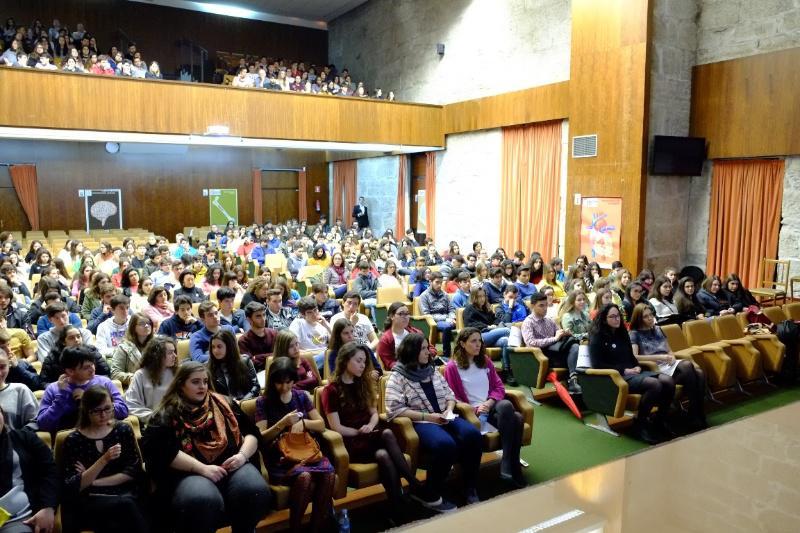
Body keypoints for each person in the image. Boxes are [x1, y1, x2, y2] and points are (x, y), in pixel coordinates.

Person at [141, 362, 270, 533]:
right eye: (195, 382)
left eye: (205, 381)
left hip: (233, 465)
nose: (202, 386)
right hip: (189, 472)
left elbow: (253, 433)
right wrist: (203, 469)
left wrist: (242, 456)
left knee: (255, 490)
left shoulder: (224, 403)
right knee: (202, 499)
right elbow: (161, 452)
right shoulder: (166, 413)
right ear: (181, 384)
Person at [322, 342, 436, 519]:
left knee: (383, 455)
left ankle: (397, 506)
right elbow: (336, 427)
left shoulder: (363, 382)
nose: (363, 365)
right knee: (387, 434)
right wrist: (360, 432)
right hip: (350, 441)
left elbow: (374, 414)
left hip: (371, 436)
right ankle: (413, 485)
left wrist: (370, 425)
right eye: (359, 361)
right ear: (345, 361)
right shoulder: (331, 390)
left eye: (364, 361)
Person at [384, 333, 481, 510]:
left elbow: (450, 395)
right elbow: (394, 409)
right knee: (446, 444)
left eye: (427, 347)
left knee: (473, 435)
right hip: (421, 421)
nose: (428, 352)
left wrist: (449, 409)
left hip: (445, 415)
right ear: (411, 351)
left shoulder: (432, 370)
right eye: (423, 348)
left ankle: (469, 486)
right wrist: (429, 417)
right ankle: (430, 493)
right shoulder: (397, 376)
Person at [255, 357, 333, 532]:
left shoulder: (300, 396)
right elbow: (261, 438)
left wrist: (304, 423)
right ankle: (295, 528)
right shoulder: (263, 401)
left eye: (288, 382)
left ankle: (317, 527)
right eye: (279, 383)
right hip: (281, 459)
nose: (284, 387)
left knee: (328, 474)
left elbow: (321, 424)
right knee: (304, 477)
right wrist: (282, 424)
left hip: (305, 452)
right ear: (272, 381)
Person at [443, 328, 525, 487]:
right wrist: (476, 409)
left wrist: (489, 402)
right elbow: (453, 397)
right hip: (472, 415)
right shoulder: (452, 368)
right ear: (462, 343)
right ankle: (513, 467)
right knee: (517, 418)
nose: (478, 344)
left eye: (479, 340)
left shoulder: (485, 361)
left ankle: (507, 462)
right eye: (473, 341)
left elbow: (499, 387)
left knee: (507, 405)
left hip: (492, 407)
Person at [59, 386, 147, 533]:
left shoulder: (122, 430)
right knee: (124, 509)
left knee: (124, 509)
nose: (104, 415)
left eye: (108, 408)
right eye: (97, 411)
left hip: (123, 493)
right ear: (87, 411)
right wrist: (104, 460)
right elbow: (73, 485)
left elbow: (133, 470)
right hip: (92, 499)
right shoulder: (74, 440)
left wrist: (91, 480)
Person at [589, 303, 677, 444]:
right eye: (612, 317)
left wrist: (636, 366)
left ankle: (659, 420)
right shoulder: (597, 337)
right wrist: (624, 370)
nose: (617, 319)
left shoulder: (622, 332)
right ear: (604, 319)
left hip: (632, 373)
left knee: (668, 381)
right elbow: (598, 365)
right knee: (655, 385)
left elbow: (631, 356)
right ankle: (640, 424)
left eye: (618, 316)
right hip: (616, 377)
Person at [629, 303, 708, 431]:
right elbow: (635, 357)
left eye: (651, 315)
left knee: (699, 372)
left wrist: (671, 357)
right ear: (639, 318)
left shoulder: (658, 329)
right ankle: (695, 415)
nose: (650, 318)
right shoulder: (634, 334)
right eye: (645, 316)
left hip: (667, 363)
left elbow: (669, 350)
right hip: (654, 367)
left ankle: (694, 413)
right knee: (690, 367)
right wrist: (660, 357)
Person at [36, 345, 128, 433]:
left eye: (92, 364)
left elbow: (123, 411)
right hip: (70, 440)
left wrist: (91, 400)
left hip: (104, 433)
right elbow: (43, 424)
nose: (92, 369)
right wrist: (61, 397)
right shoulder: (54, 389)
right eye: (86, 367)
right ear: (70, 371)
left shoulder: (104, 382)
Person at [0, 404, 59, 533]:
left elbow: (50, 472)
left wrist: (48, 506)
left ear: (2, 415)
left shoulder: (25, 439)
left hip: (17, 519)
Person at [521, 292, 581, 394]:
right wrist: (554, 338)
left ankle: (573, 379)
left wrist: (564, 333)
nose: (545, 308)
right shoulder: (528, 322)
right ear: (532, 306)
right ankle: (573, 381)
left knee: (575, 346)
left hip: (556, 352)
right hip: (541, 355)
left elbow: (558, 336)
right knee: (574, 352)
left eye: (546, 305)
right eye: (541, 305)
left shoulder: (549, 321)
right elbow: (531, 342)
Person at [125, 335, 177, 425]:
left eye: (174, 352)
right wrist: (155, 417)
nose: (175, 356)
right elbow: (132, 404)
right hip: (153, 423)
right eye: (170, 353)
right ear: (157, 355)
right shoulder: (140, 375)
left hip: (176, 421)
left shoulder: (177, 373)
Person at [376, 302, 436, 371]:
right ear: (392, 316)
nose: (405, 317)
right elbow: (390, 363)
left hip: (422, 368)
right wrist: (408, 367)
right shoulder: (385, 339)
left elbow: (431, 349)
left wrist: (426, 356)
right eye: (401, 314)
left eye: (407, 313)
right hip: (401, 372)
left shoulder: (416, 332)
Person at [207, 330, 259, 401]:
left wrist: (242, 402)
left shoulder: (245, 361)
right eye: (213, 347)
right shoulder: (209, 367)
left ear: (229, 347)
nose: (215, 351)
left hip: (244, 402)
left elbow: (255, 387)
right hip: (224, 406)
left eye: (219, 346)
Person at [419, 272, 456, 359]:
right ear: (430, 282)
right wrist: (446, 318)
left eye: (441, 282)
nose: (439, 285)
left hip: (448, 319)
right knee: (447, 326)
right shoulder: (424, 296)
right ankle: (446, 354)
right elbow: (426, 315)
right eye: (437, 282)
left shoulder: (445, 294)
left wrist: (451, 317)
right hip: (433, 321)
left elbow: (451, 309)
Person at [110, 313, 154, 387]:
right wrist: (132, 377)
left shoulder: (158, 345)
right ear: (133, 327)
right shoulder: (123, 348)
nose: (146, 326)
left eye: (148, 323)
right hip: (134, 388)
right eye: (142, 323)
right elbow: (115, 373)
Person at [288, 297, 331, 370]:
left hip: (325, 357)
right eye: (309, 312)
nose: (314, 314)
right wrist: (323, 352)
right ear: (302, 314)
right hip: (309, 359)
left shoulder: (323, 323)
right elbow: (295, 351)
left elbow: (336, 343)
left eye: (315, 310)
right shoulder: (297, 324)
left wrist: (327, 326)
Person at [0, 348, 37, 429]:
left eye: (2, 367)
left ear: (8, 366)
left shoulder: (21, 390)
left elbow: (34, 422)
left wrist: (15, 438)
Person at [237, 302, 277, 371]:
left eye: (264, 315)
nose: (263, 319)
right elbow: (250, 364)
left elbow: (280, 355)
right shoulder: (243, 340)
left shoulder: (274, 334)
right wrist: (271, 355)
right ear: (249, 320)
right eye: (258, 316)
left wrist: (257, 357)